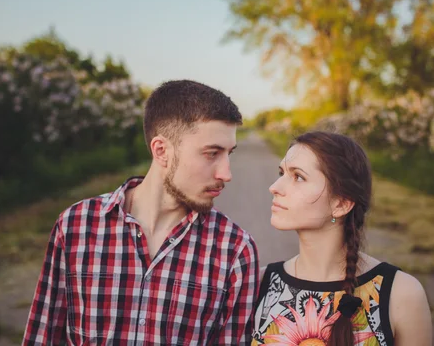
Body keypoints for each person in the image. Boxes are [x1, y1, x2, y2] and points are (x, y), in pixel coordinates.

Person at [23, 79, 259, 345]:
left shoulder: (235, 249)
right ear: (161, 151)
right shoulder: (76, 226)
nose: (226, 173)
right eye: (211, 153)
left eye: (229, 154)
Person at [251, 131, 432, 346]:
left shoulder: (400, 294)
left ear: (341, 204)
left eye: (298, 177)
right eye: (281, 173)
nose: (275, 187)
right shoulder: (259, 285)